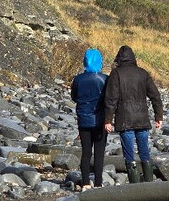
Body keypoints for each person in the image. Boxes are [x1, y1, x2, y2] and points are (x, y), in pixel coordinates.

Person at [103, 45, 164, 183]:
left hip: (125, 119)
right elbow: (155, 96)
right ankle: (148, 184)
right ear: (133, 58)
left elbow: (111, 99)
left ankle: (134, 186)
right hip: (142, 118)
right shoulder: (143, 73)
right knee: (144, 153)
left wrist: (108, 119)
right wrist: (158, 116)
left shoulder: (116, 74)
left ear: (119, 58)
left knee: (129, 155)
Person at [70, 48, 107, 189]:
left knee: (86, 152)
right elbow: (109, 99)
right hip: (100, 119)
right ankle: (98, 183)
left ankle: (85, 182)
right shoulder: (105, 79)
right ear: (100, 62)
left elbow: (74, 97)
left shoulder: (78, 79)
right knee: (99, 153)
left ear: (85, 61)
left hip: (84, 119)